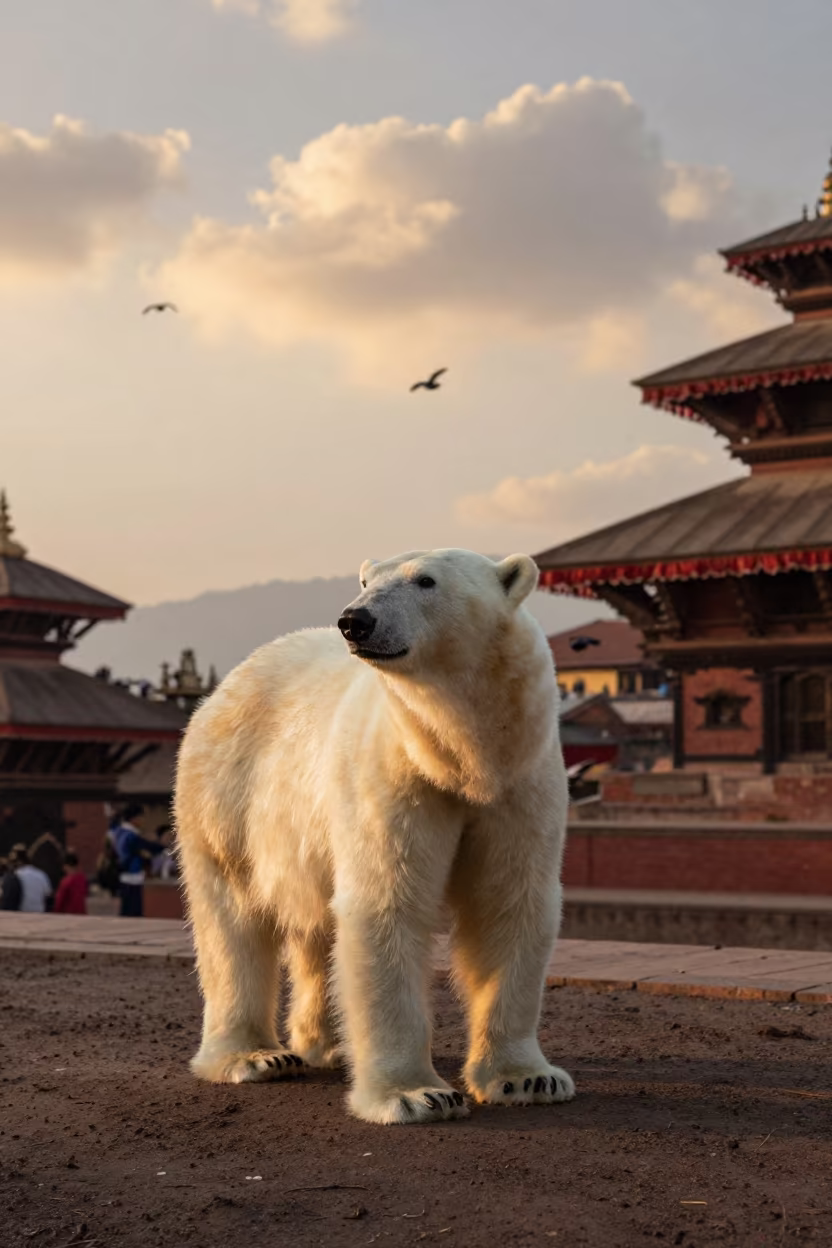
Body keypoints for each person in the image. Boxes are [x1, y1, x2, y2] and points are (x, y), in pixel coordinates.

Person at [112, 803, 163, 918]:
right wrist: (165, 847)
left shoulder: (119, 833)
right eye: (141, 817)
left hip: (123, 877)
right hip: (133, 877)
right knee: (134, 913)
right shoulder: (131, 836)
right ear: (134, 818)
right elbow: (149, 847)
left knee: (126, 912)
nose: (142, 821)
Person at [7, 844, 53, 914]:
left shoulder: (15, 876)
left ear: (18, 862)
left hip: (20, 915)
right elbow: (48, 895)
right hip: (40, 915)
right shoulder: (41, 874)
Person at [54, 850, 88, 915]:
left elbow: (59, 902)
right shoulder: (82, 878)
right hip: (81, 914)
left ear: (65, 865)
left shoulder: (66, 881)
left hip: (68, 915)